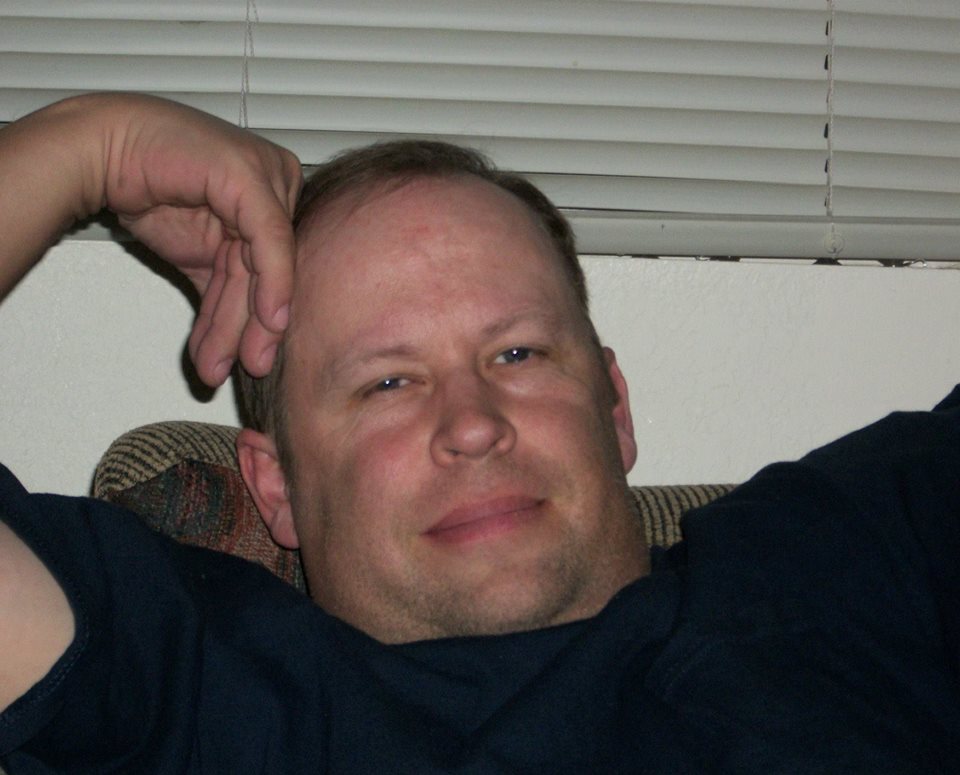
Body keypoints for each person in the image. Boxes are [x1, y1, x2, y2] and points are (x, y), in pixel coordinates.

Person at [0, 94, 957, 773]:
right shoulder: (202, 689)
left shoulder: (851, 557)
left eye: (518, 353)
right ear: (277, 487)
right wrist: (93, 147)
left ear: (615, 407)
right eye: (388, 380)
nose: (472, 425)